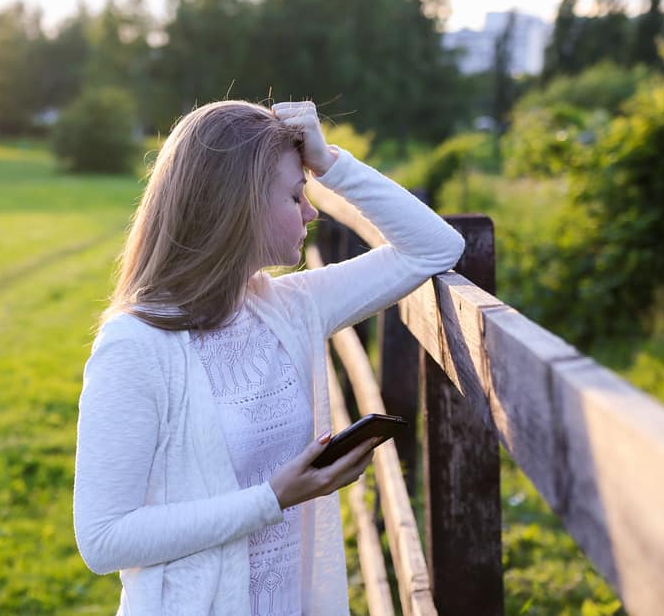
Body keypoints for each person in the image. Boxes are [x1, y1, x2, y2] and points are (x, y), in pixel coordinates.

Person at [73, 100, 465, 615]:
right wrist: (271, 499)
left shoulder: (290, 308)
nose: (312, 211)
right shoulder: (135, 346)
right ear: (239, 206)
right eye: (296, 195)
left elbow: (435, 247)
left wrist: (330, 164)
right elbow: (103, 539)